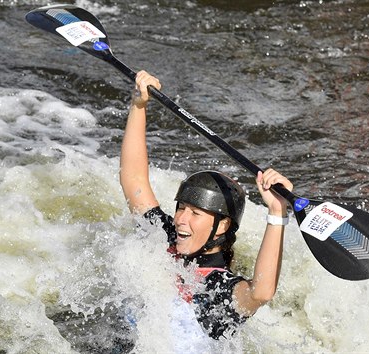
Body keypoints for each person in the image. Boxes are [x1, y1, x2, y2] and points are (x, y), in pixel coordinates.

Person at [119, 71, 293, 340]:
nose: (181, 219)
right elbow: (133, 179)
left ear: (222, 225)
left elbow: (261, 292)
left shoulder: (219, 288)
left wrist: (277, 212)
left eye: (195, 213)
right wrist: (139, 105)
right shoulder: (163, 237)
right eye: (181, 208)